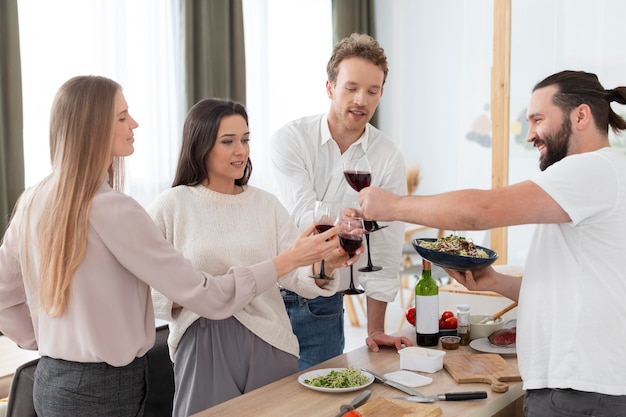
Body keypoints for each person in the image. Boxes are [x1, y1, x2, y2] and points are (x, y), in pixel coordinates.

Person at [0, 76, 342, 417]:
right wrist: (287, 260)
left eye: (245, 140)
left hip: (53, 379)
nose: (133, 123)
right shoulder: (116, 209)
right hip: (106, 387)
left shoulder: (33, 201)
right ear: (93, 127)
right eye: (121, 117)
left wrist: (47, 341)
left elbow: (3, 294)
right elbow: (206, 294)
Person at [358, 70, 626, 416]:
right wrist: (496, 282)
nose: (530, 134)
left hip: (582, 393)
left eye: (538, 119)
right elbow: (578, 286)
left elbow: (480, 211)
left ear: (581, 115)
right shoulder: (604, 173)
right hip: (581, 389)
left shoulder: (591, 169)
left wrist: (393, 206)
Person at [147, 98, 357, 415]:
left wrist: (326, 264)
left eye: (245, 140)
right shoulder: (171, 206)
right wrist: (209, 294)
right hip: (204, 342)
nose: (241, 151)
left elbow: (296, 276)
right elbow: (149, 291)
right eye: (228, 141)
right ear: (200, 146)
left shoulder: (266, 205)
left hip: (270, 339)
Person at [270, 32, 410, 369]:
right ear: (330, 88)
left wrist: (376, 328)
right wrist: (351, 220)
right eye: (351, 88)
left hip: (324, 297)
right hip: (271, 294)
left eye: (372, 91)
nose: (362, 100)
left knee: (321, 399)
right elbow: (304, 215)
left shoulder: (387, 156)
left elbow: (386, 244)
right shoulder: (290, 140)